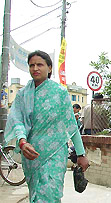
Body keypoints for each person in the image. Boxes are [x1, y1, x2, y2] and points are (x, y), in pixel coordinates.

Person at [3, 50, 89, 202]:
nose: (35, 68)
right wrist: (22, 142)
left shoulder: (60, 93)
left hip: (55, 154)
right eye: (31, 65)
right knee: (36, 196)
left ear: (49, 68)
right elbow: (17, 120)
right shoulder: (23, 95)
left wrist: (81, 155)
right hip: (31, 154)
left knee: (50, 195)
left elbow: (71, 126)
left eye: (39, 65)